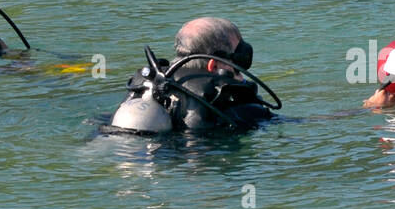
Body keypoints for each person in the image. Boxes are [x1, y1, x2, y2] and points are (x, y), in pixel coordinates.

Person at [110, 17, 280, 133]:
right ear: (213, 65)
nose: (240, 65)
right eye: (239, 58)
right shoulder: (231, 102)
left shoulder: (148, 85)